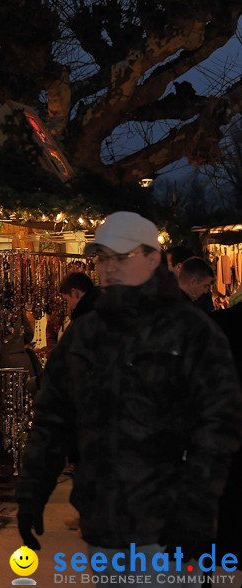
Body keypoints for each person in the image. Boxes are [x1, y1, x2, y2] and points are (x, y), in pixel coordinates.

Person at [17, 211, 241, 588]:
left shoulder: (190, 331)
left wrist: (196, 510)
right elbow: (53, 418)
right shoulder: (85, 334)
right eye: (103, 258)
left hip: (167, 528)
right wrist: (33, 490)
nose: (110, 268)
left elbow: (219, 426)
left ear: (153, 259)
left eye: (121, 257)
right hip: (104, 524)